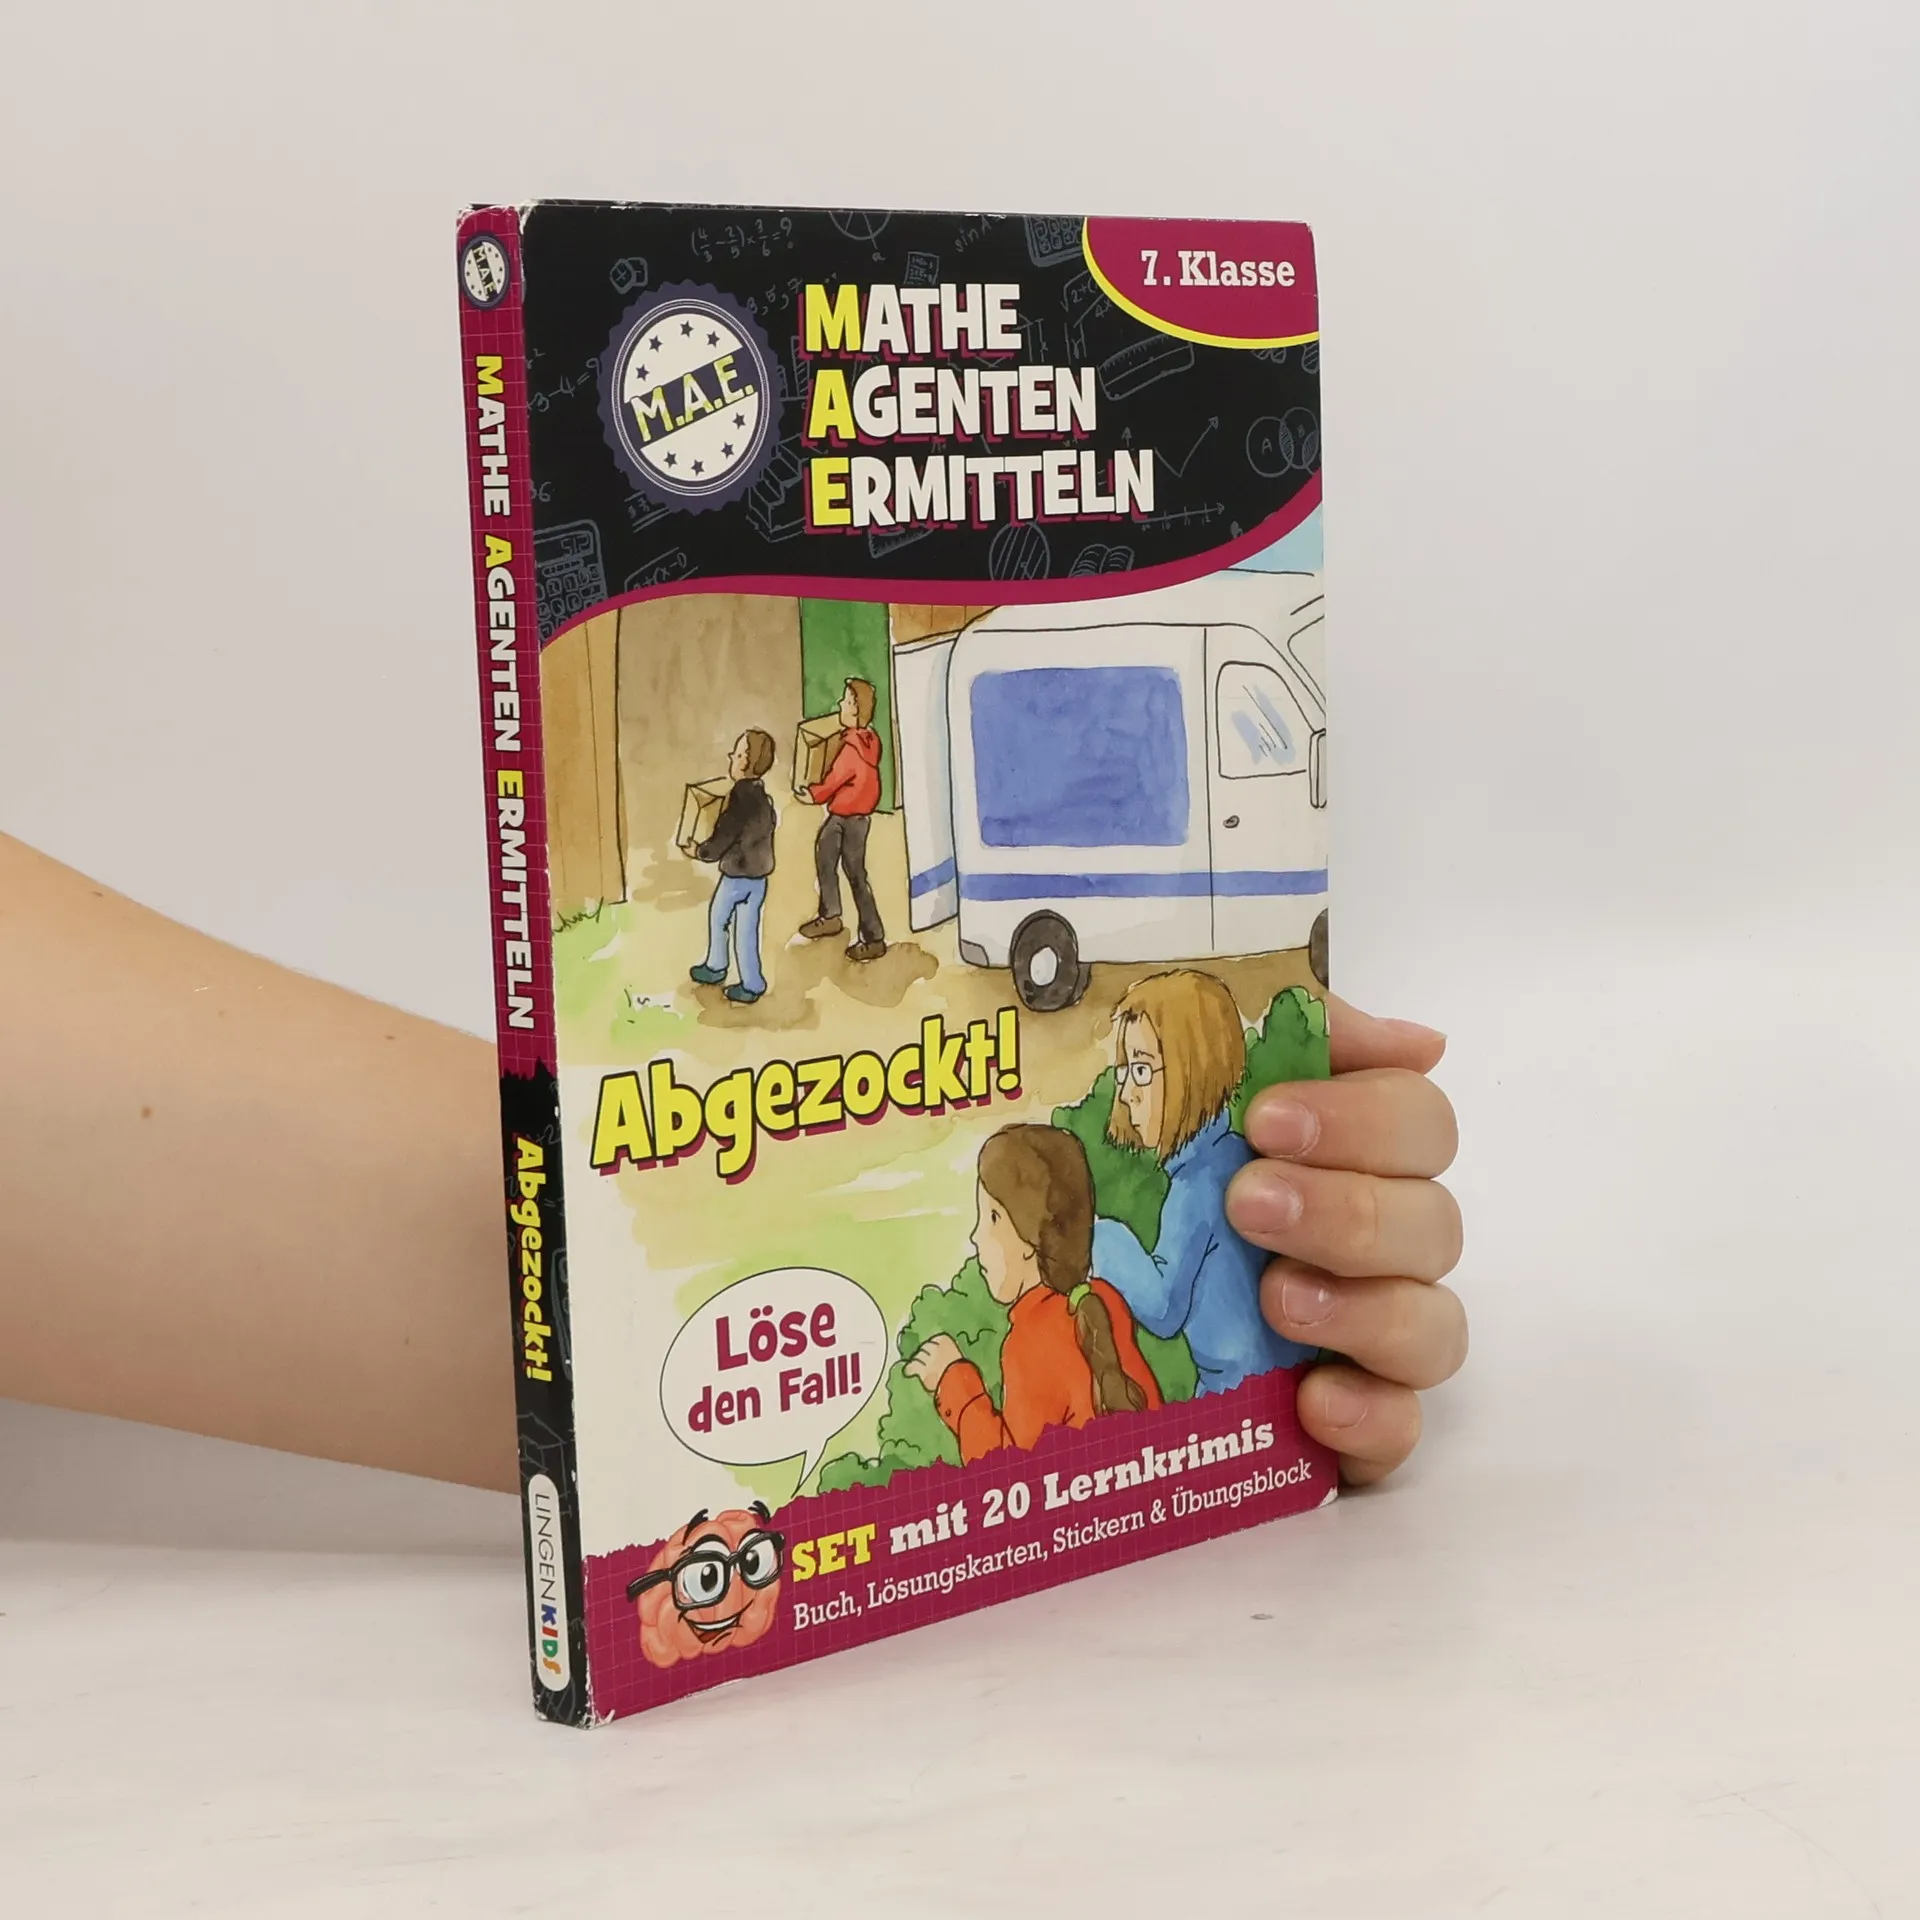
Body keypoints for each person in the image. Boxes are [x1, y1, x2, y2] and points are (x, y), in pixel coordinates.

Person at [0, 830, 1464, 1491]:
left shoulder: (1120, 1261)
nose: (1128, 1085)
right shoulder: (1099, 1274)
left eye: (1143, 1067)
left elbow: (1050, 1419)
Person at [1094, 969, 1313, 1395]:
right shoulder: (1232, 1152)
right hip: (1279, 1382)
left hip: (1237, 1395)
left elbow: (1163, 1308)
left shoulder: (1195, 1185)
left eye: (1142, 1070)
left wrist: (1102, 1238)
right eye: (1124, 1071)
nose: (1126, 1093)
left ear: (1192, 1070)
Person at [904, 1124, 1163, 1462]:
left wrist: (953, 1380)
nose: (976, 1237)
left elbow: (1010, 1474)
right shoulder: (1102, 1300)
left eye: (993, 1217)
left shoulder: (1032, 1341)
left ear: (1030, 1237)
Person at [682, 727, 777, 1005]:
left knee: (719, 918)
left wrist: (700, 851)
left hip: (737, 875)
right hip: (759, 876)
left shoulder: (739, 799)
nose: (731, 758)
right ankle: (752, 983)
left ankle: (716, 966)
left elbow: (724, 834)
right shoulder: (763, 798)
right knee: (746, 930)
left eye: (736, 754)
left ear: (745, 761)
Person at [797, 676, 886, 962]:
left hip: (850, 819)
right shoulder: (867, 740)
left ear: (857, 710)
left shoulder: (852, 748)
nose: (840, 704)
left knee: (855, 874)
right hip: (847, 816)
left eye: (847, 702)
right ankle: (831, 915)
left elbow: (834, 780)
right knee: (825, 855)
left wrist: (812, 795)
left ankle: (873, 938)